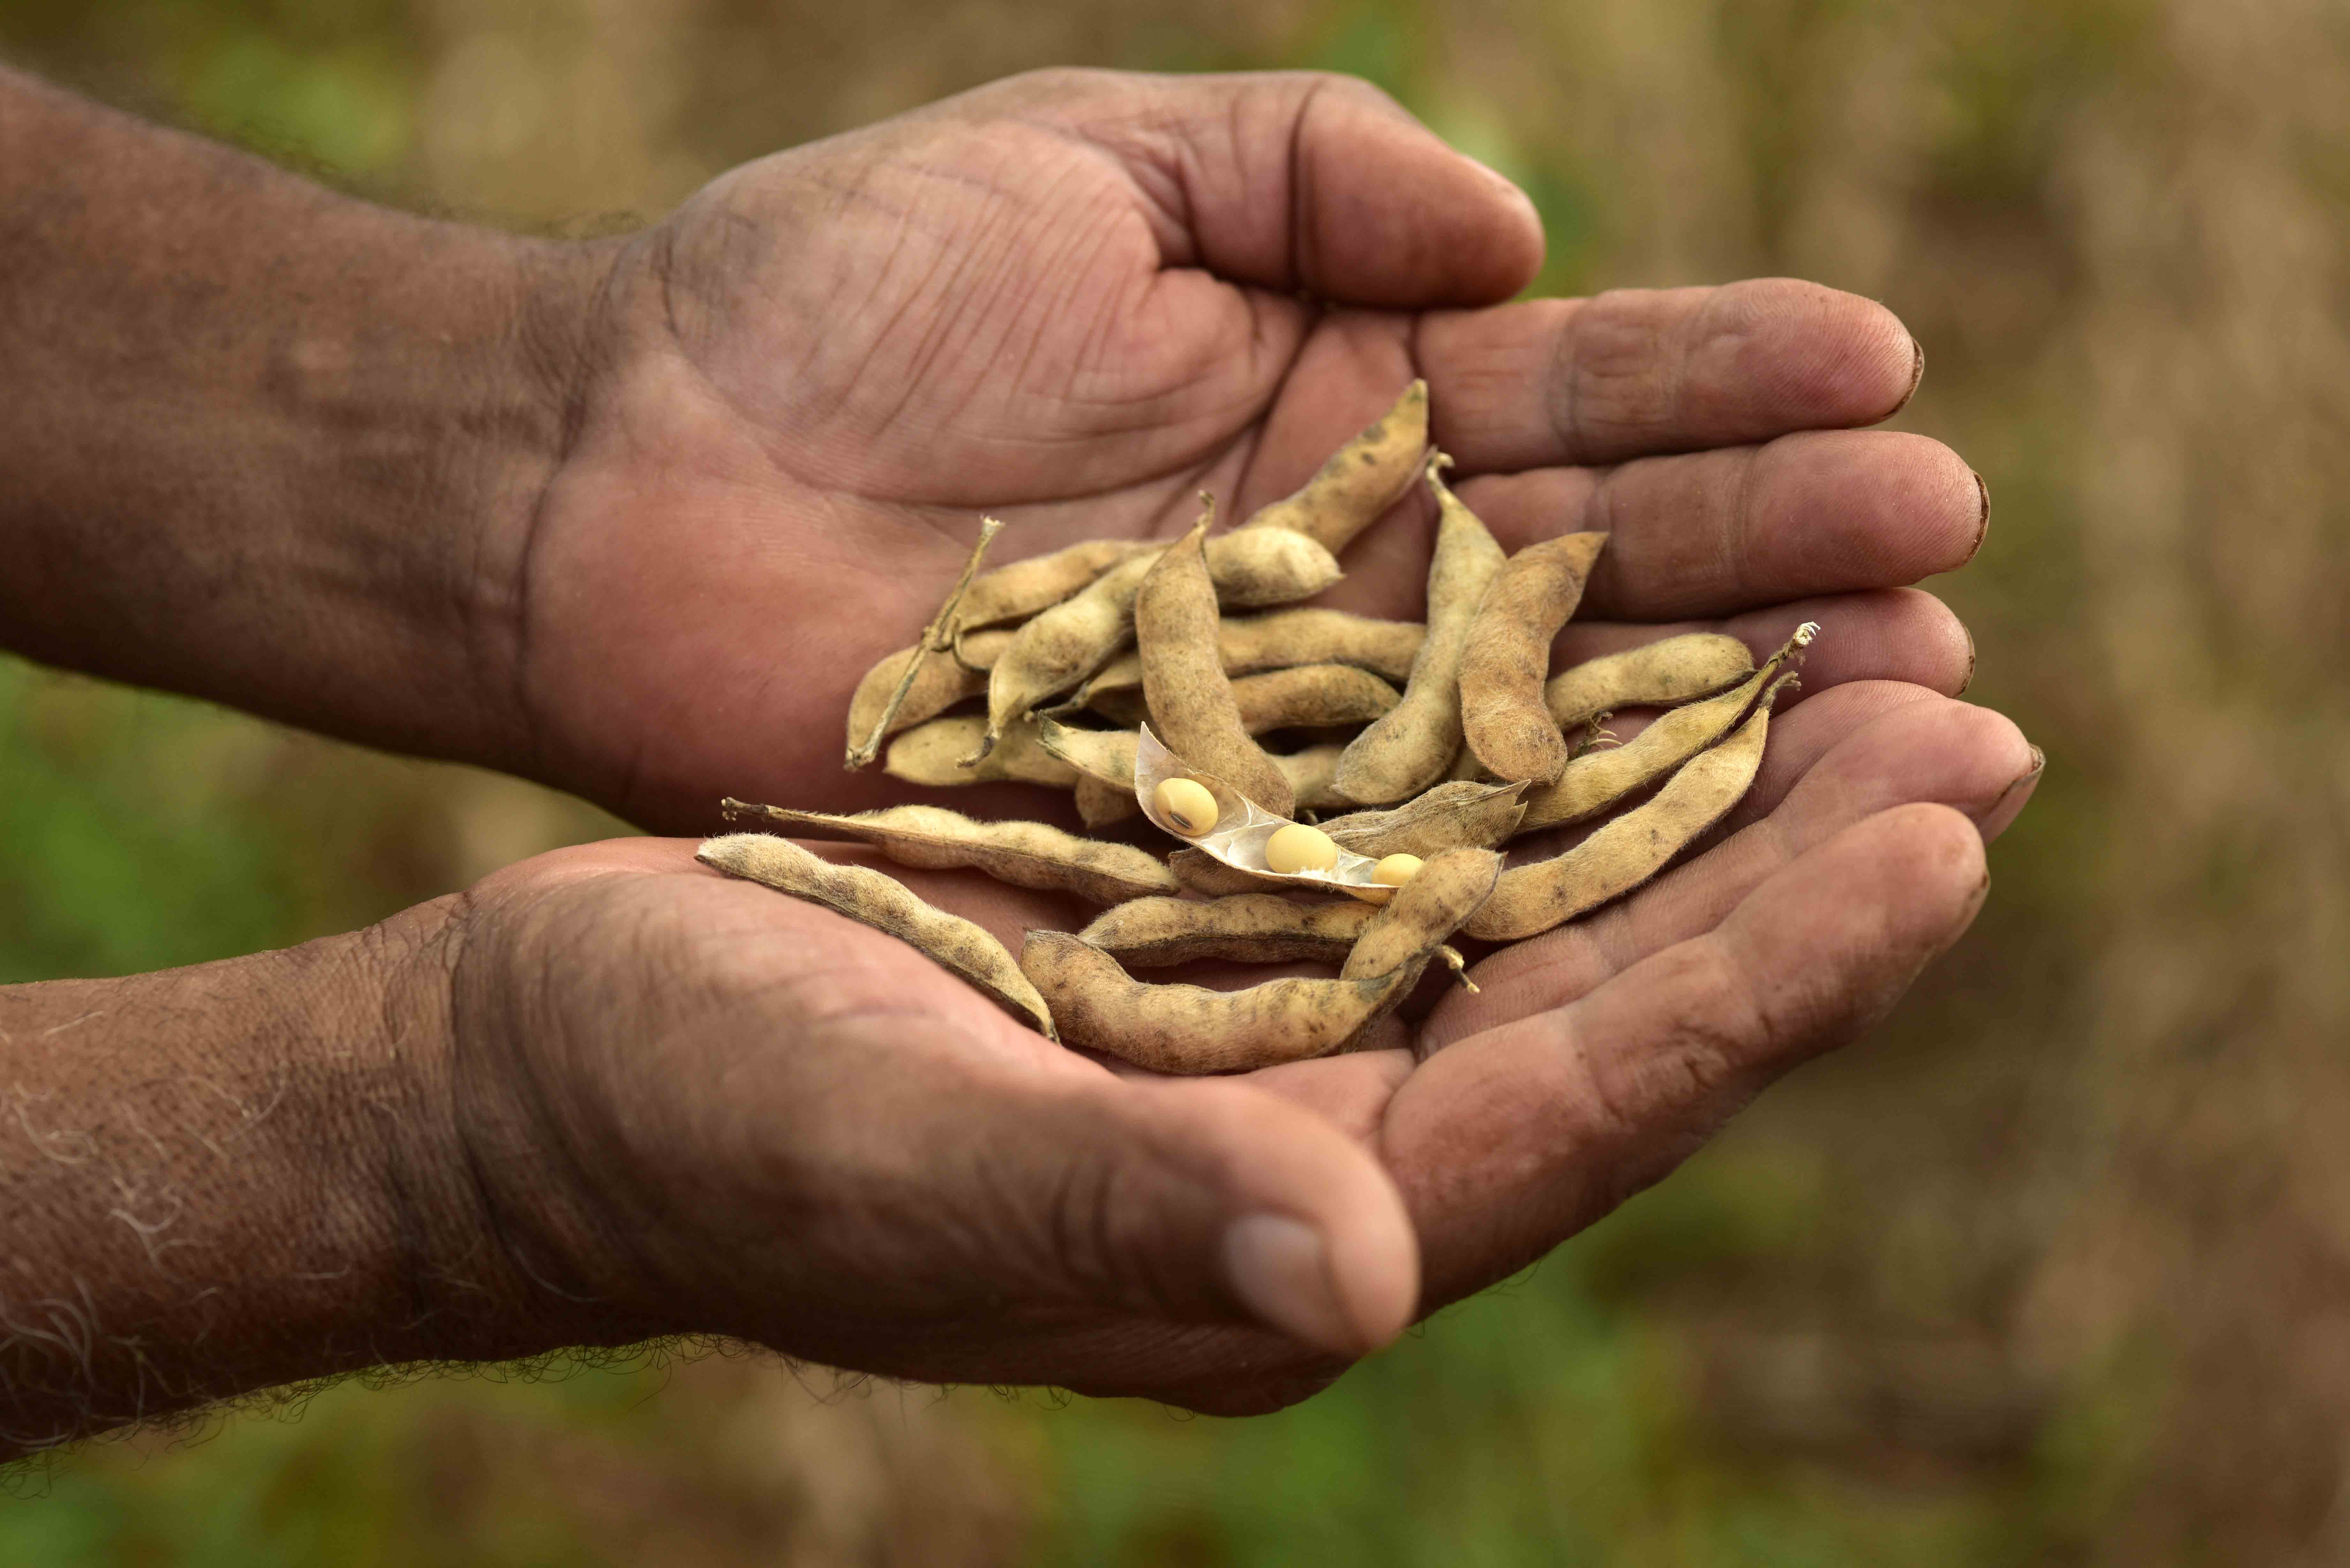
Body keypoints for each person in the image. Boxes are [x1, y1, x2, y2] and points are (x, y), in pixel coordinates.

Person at [0, 62, 2035, 1459]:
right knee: (1247, 770)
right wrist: (447, 1144)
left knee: (1420, 734)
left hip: (1335, 792)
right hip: (1243, 796)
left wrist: (551, 420)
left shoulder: (1421, 662)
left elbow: (1409, 744)